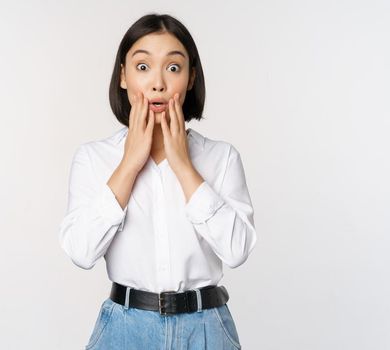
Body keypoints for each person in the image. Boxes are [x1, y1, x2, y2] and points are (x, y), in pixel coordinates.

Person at [57, 13, 257, 350]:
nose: (158, 83)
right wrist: (130, 164)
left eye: (174, 68)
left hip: (206, 327)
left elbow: (237, 251)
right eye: (143, 67)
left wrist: (183, 166)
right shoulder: (94, 158)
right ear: (123, 76)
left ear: (191, 77)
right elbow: (80, 251)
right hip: (125, 328)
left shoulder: (221, 158)